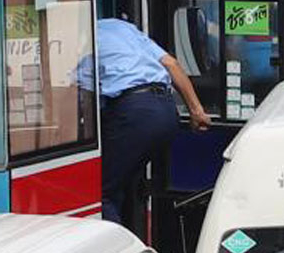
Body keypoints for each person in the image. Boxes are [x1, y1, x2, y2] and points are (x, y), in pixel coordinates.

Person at [89, 17, 212, 229]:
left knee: (99, 192)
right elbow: (171, 63)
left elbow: (76, 96)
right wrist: (197, 111)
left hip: (134, 112)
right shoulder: (119, 26)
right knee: (124, 177)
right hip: (165, 109)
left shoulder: (81, 41)